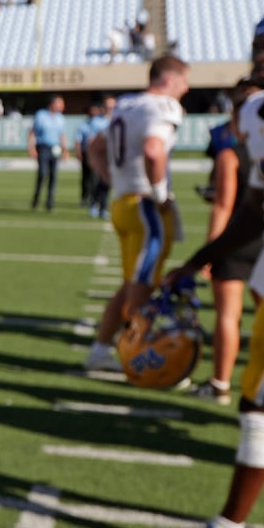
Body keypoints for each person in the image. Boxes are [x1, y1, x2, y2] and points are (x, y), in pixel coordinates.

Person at [153, 12, 264, 528]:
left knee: (261, 405)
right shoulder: (257, 114)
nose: (263, 58)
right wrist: (196, 263)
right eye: (258, 47)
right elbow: (254, 211)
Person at [83, 56, 191, 373]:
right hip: (145, 207)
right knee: (141, 292)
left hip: (121, 203)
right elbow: (153, 150)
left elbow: (94, 148)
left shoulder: (128, 104)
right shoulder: (164, 106)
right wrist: (160, 195)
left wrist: (113, 179)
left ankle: (101, 350)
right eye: (184, 83)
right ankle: (137, 359)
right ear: (170, 80)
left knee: (132, 283)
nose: (186, 90)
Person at [191, 78, 264, 404]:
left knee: (227, 316)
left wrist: (209, 251)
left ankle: (220, 384)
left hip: (236, 242)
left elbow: (222, 206)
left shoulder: (230, 155)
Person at [28, 94, 68, 211]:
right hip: (43, 147)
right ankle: (36, 199)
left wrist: (65, 150)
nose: (62, 106)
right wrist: (31, 147)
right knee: (42, 173)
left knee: (53, 176)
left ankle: (50, 202)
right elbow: (33, 132)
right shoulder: (41, 115)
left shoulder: (60, 118)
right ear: (52, 104)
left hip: (55, 148)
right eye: (59, 103)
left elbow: (62, 135)